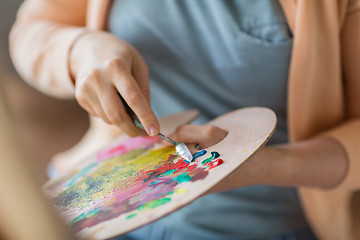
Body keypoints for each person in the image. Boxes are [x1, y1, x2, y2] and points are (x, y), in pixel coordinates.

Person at [9, 0, 360, 239]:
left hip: (255, 226)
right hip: (99, 204)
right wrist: (78, 50)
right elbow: (31, 30)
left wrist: (270, 165)